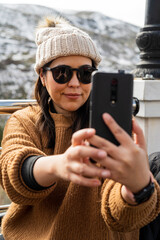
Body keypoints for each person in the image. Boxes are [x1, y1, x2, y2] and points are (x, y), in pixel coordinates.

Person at [0, 15, 160, 240]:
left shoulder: (109, 125)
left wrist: (136, 189)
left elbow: (122, 217)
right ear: (42, 77)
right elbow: (12, 171)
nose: (74, 83)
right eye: (62, 73)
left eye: (85, 74)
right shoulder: (25, 120)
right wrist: (59, 165)